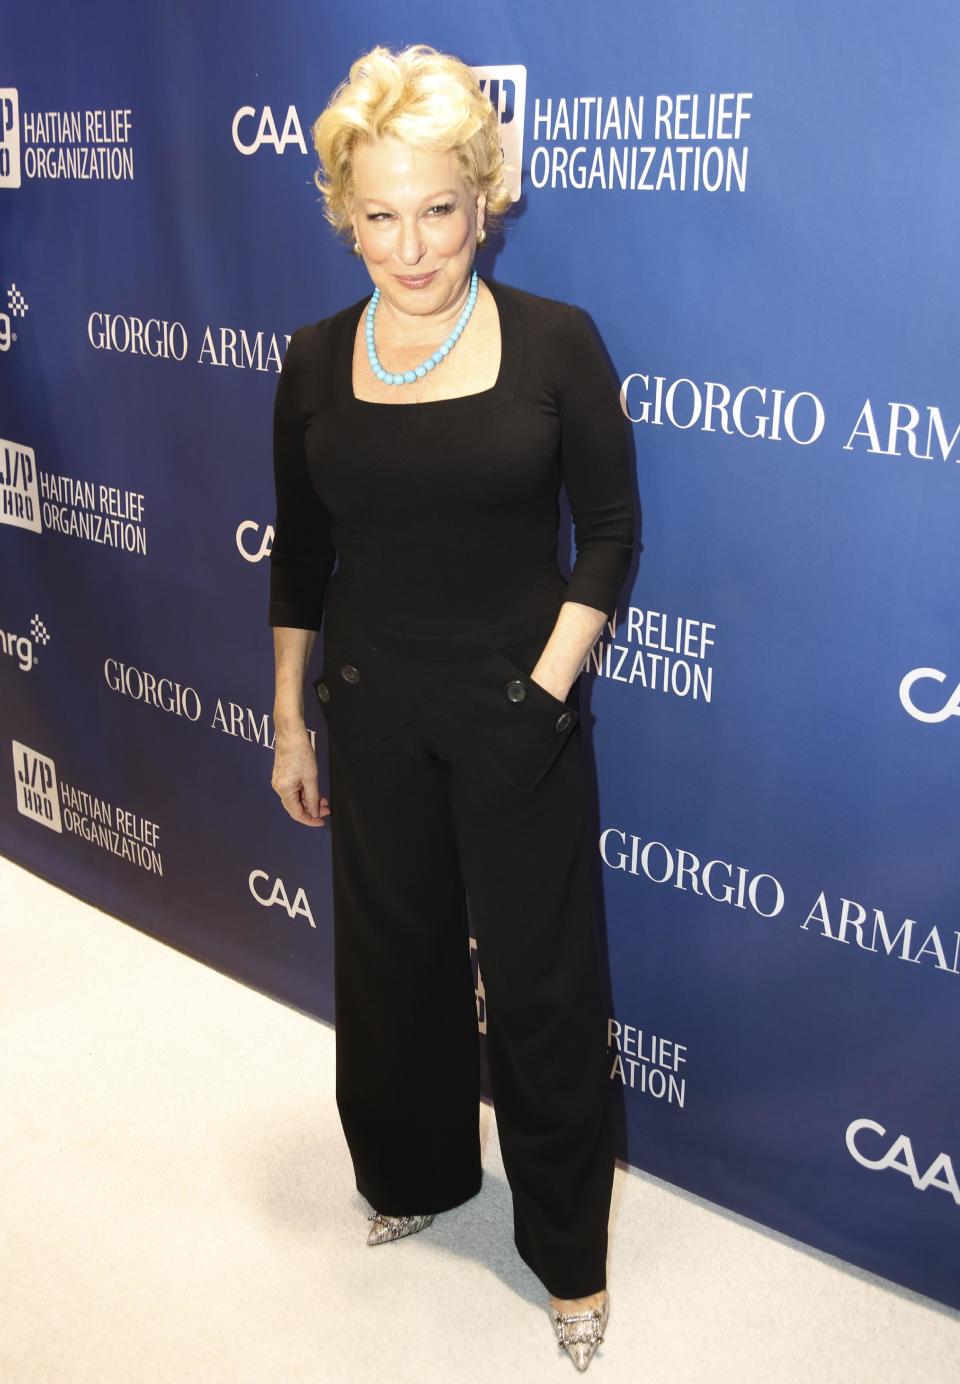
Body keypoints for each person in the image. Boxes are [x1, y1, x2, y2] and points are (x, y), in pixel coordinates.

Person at [268, 43, 636, 1372]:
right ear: (343, 212)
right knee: (393, 967)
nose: (410, 246)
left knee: (542, 986)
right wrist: (291, 719)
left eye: (438, 208)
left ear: (484, 199)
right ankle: (414, 1174)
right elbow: (300, 559)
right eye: (380, 214)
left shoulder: (555, 344)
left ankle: (570, 1259)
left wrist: (541, 689)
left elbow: (607, 537)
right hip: (370, 713)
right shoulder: (312, 362)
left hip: (514, 712)